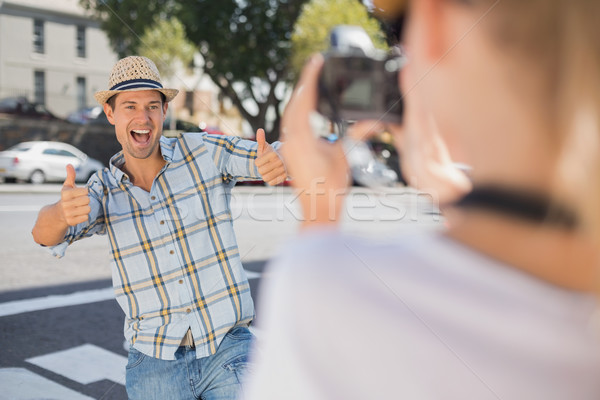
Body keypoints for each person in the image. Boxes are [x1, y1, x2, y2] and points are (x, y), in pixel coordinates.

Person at [244, 0, 600, 399]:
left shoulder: (331, 289)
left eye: (398, 27)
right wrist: (445, 189)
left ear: (434, 24)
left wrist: (319, 214)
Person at [31, 55, 287, 400]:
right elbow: (44, 235)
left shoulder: (201, 151)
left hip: (227, 347)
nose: (143, 117)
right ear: (111, 114)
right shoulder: (101, 190)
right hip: (154, 362)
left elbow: (268, 154)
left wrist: (276, 159)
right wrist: (61, 212)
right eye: (130, 106)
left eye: (153, 105)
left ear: (165, 110)